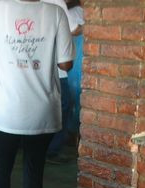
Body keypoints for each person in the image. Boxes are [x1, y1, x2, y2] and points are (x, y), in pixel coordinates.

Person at [0, 0, 74, 188]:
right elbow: (66, 64)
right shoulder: (56, 13)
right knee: (34, 171)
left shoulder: (0, 8)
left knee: (2, 169)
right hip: (41, 110)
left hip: (6, 109)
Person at [42, 0, 79, 163]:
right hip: (57, 69)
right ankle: (52, 149)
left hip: (34, 68)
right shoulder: (58, 3)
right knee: (64, 105)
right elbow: (73, 29)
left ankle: (39, 146)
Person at [66, 0, 84, 147]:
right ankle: (71, 137)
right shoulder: (75, 12)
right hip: (76, 62)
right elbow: (73, 30)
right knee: (74, 99)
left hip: (86, 62)